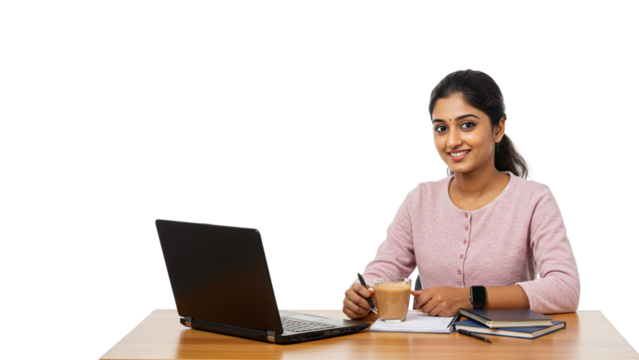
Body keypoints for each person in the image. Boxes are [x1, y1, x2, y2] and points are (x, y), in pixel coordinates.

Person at [341, 68, 582, 319]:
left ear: (498, 129)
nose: (452, 141)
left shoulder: (534, 199)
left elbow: (567, 288)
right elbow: (384, 271)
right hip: (432, 351)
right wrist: (359, 293)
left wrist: (472, 298)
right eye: (441, 128)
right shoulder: (419, 199)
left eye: (467, 125)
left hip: (507, 349)